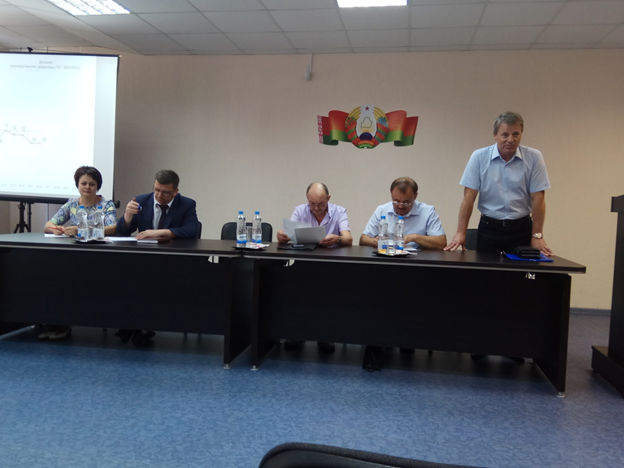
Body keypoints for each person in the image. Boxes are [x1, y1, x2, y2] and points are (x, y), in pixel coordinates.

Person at [444, 111, 553, 256]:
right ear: (495, 135)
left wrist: (537, 235)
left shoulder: (534, 157)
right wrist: (460, 232)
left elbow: (538, 198)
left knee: (522, 270)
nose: (510, 140)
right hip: (489, 228)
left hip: (521, 228)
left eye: (516, 134)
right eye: (505, 135)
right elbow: (469, 198)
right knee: (486, 269)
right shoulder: (479, 157)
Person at [116, 169, 199, 345]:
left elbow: (192, 229)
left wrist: (163, 232)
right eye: (157, 190)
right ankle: (133, 323)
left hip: (172, 260)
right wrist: (128, 216)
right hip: (144, 258)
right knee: (124, 276)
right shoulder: (141, 201)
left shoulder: (186, 204)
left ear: (175, 191)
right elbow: (123, 231)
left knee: (148, 281)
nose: (159, 196)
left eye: (165, 192)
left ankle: (141, 326)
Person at [42, 165, 117, 340]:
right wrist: (57, 229)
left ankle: (66, 322)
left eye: (92, 184)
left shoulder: (106, 204)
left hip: (99, 256)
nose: (87, 187)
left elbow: (112, 228)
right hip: (74, 254)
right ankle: (54, 321)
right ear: (77, 184)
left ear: (98, 186)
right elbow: (48, 225)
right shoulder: (72, 204)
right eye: (83, 183)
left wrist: (81, 230)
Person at [276, 182, 353, 353]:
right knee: (294, 288)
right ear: (307, 199)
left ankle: (324, 335)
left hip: (330, 265)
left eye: (321, 204)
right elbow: (287, 232)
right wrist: (282, 235)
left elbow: (348, 238)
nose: (316, 208)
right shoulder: (300, 210)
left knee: (326, 292)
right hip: (304, 263)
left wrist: (338, 239)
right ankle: (296, 333)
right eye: (312, 204)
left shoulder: (340, 211)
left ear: (329, 198)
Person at [360, 177, 446, 250]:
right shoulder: (382, 210)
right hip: (388, 257)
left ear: (415, 197)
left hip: (417, 259)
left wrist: (414, 237)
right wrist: (374, 241)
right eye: (396, 201)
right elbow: (363, 239)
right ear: (391, 195)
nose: (400, 206)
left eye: (406, 202)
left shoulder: (427, 211)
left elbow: (441, 242)